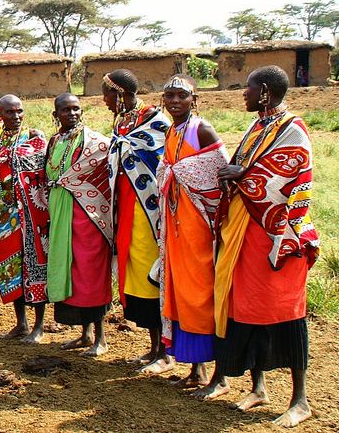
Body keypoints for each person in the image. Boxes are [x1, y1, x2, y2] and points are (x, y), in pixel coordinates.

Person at [213, 65, 318, 427]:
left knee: (285, 314)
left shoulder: (293, 128)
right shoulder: (258, 126)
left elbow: (292, 174)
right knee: (249, 309)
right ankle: (259, 388)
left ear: (265, 92)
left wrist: (242, 175)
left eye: (248, 87)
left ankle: (300, 401)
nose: (243, 93)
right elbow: (243, 166)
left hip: (278, 237)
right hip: (247, 235)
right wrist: (232, 172)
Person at [154, 75, 229, 392]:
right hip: (176, 227)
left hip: (200, 227)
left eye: (181, 96)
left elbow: (222, 175)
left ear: (194, 99)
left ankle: (220, 375)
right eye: (169, 95)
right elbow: (168, 170)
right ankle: (197, 369)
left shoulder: (202, 129)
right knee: (182, 293)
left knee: (204, 295)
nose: (174, 101)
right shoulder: (171, 131)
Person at [102, 69, 171, 371]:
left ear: (119, 94)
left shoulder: (155, 121)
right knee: (134, 270)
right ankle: (152, 346)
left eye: (106, 94)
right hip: (125, 208)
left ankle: (166, 352)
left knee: (151, 273)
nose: (104, 101)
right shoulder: (122, 121)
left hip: (149, 211)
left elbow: (165, 162)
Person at [0, 94, 50, 343]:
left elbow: (43, 176)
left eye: (19, 112)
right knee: (11, 270)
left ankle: (39, 325)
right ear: (0, 115)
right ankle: (21, 323)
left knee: (34, 269)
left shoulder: (35, 138)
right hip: (4, 217)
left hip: (30, 216)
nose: (16, 117)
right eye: (10, 113)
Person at [45, 93, 113, 356]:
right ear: (56, 115)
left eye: (76, 109)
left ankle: (101, 338)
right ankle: (84, 334)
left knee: (90, 273)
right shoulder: (55, 141)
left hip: (89, 216)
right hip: (62, 214)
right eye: (66, 110)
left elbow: (107, 176)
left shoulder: (94, 142)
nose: (72, 114)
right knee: (70, 271)